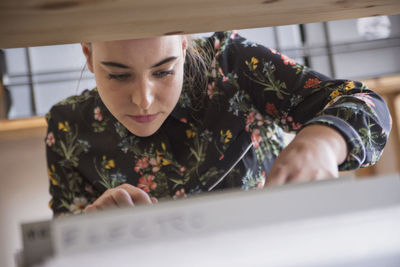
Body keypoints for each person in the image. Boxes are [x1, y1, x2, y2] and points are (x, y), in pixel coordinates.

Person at [45, 31, 391, 217]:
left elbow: (365, 103)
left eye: (163, 71)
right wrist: (93, 232)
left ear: (183, 46)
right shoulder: (68, 128)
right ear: (88, 55)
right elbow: (61, 245)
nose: (144, 99)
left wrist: (322, 142)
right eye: (118, 76)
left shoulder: (230, 67)